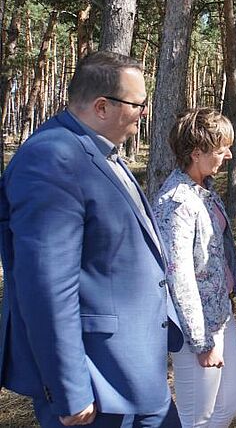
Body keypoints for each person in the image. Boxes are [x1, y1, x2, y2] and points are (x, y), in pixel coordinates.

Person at [0, 51, 182, 427]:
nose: (144, 112)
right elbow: (47, 286)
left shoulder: (98, 151)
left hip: (133, 372)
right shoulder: (52, 159)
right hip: (97, 384)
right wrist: (70, 389)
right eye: (138, 104)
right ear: (102, 107)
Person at [152, 108, 236, 427]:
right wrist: (201, 342)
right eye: (221, 150)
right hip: (196, 326)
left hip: (220, 314)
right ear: (196, 153)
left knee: (230, 402)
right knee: (196, 417)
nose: (229, 155)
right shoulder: (176, 202)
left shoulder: (203, 190)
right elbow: (178, 278)